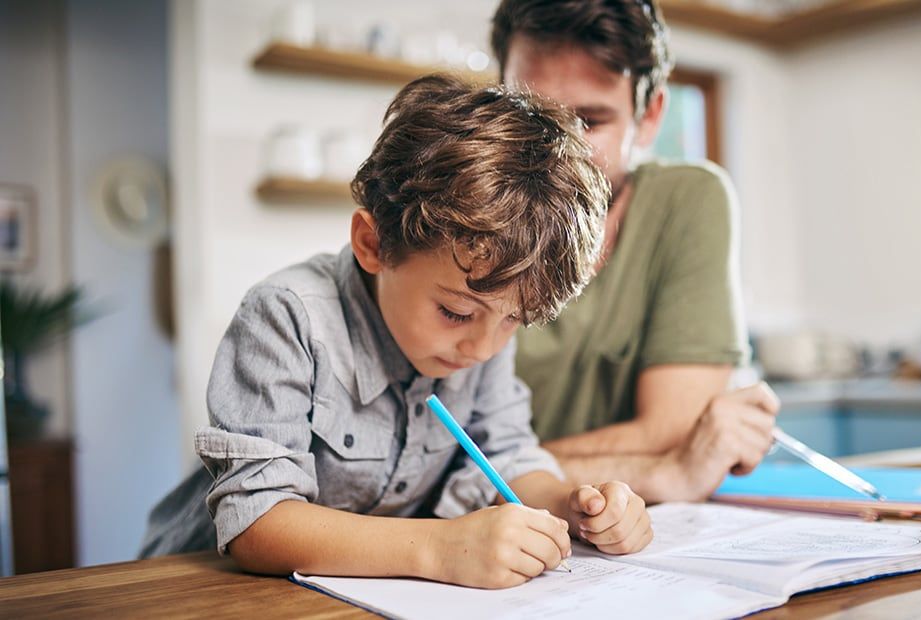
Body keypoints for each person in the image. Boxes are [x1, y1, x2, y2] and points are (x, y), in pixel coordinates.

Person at [139, 75, 652, 589]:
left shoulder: (482, 332)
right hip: (194, 589)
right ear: (373, 244)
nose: (483, 348)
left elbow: (510, 458)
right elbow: (258, 522)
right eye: (454, 312)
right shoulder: (287, 317)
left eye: (514, 321)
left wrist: (572, 506)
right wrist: (439, 549)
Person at [490, 0, 781, 502]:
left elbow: (672, 426)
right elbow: (443, 469)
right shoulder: (461, 213)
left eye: (589, 121)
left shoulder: (688, 200)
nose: (553, 151)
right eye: (529, 116)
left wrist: (498, 471)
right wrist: (666, 465)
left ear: (649, 118)